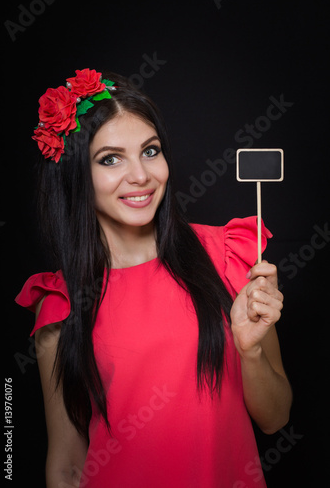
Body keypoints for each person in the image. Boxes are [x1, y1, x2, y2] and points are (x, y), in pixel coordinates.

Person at [15, 68, 292, 488]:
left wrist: (250, 353)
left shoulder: (228, 256)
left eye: (150, 151)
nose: (141, 176)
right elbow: (69, 466)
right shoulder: (61, 302)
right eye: (110, 159)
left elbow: (276, 419)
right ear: (77, 177)